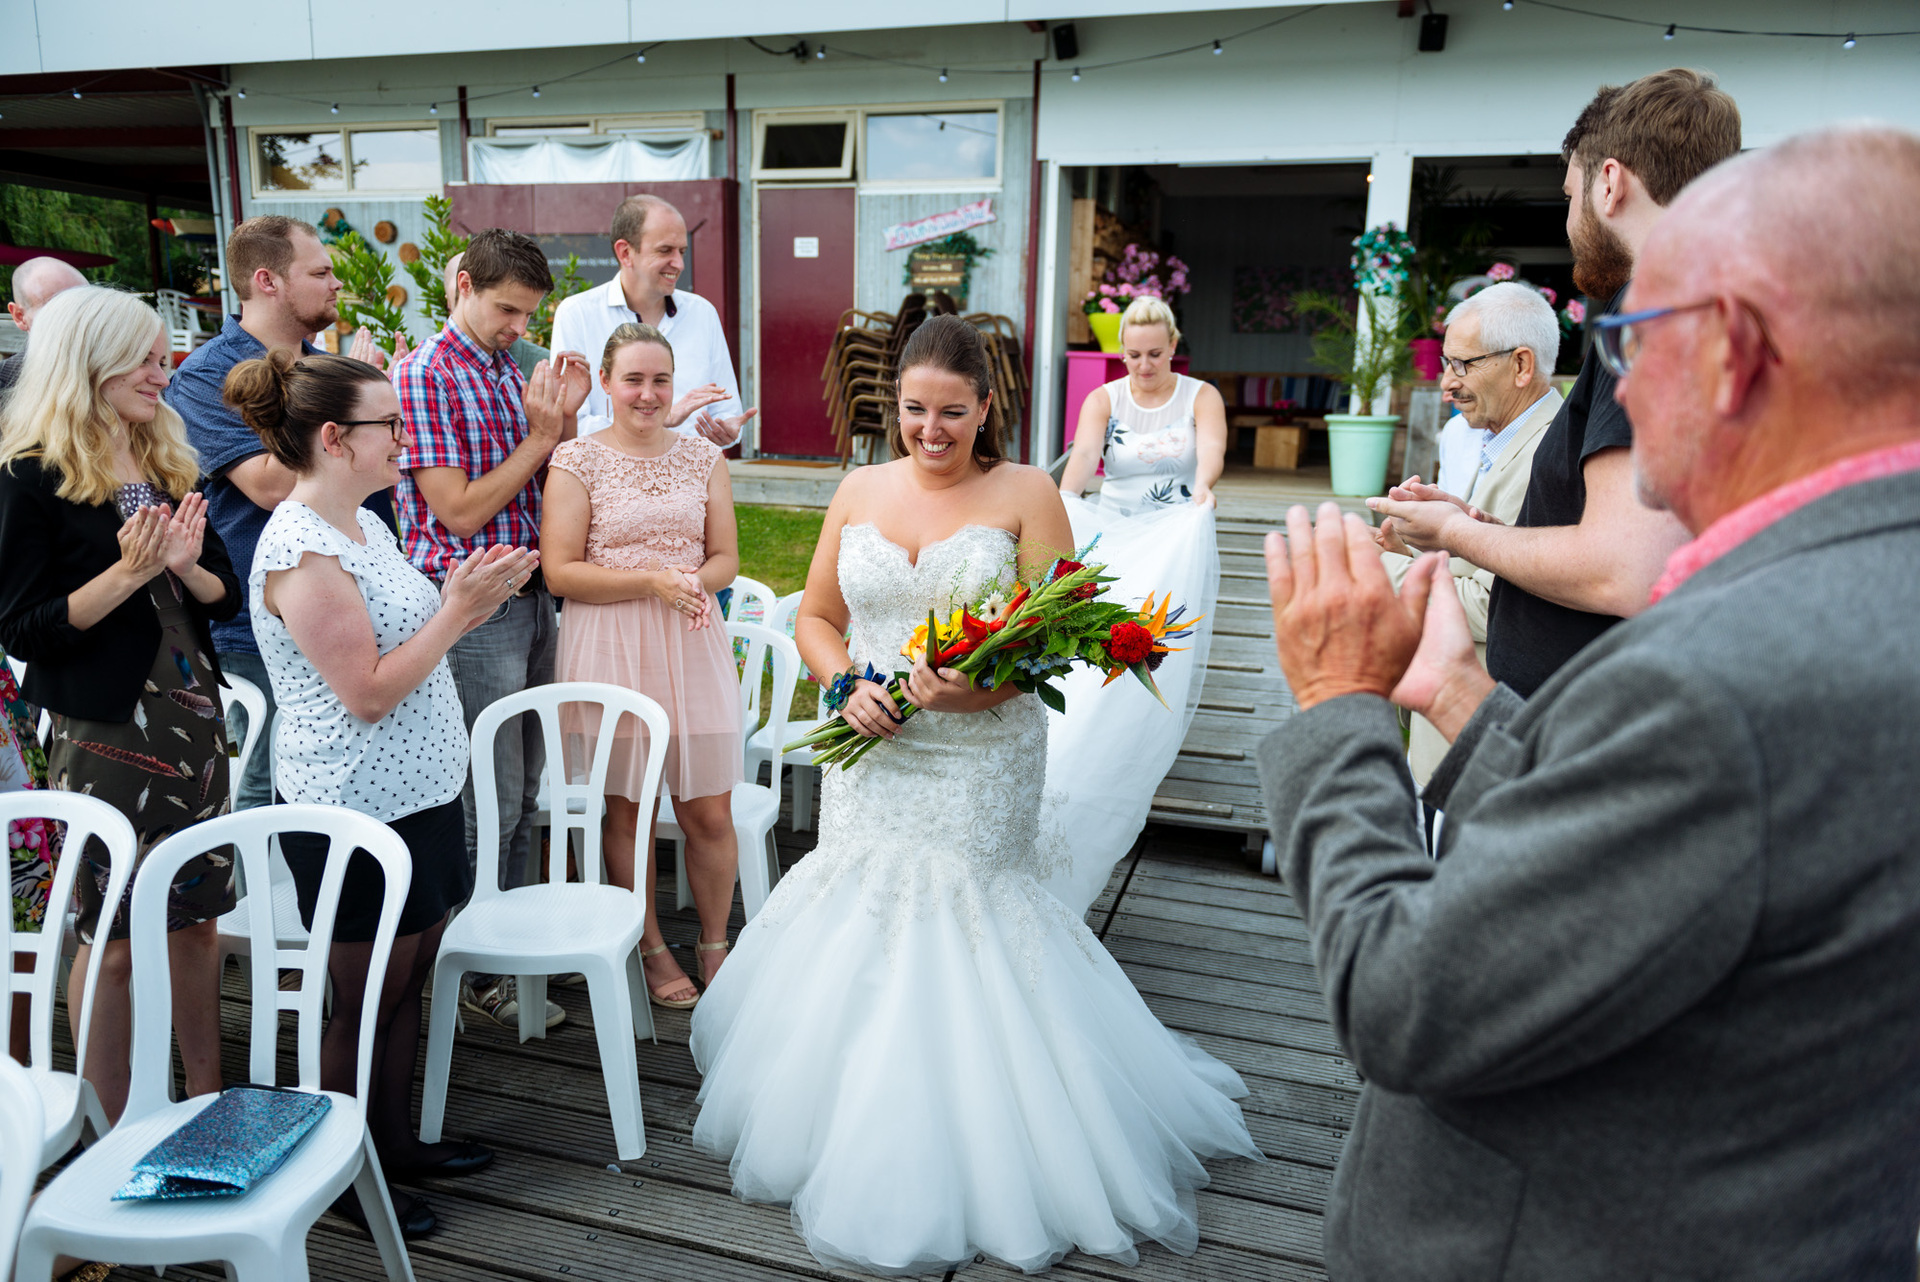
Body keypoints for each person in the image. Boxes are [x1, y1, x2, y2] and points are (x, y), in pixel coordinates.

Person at [1255, 125, 1920, 1281]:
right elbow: (1704, 864)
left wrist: (1336, 704)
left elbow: (1404, 997)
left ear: (1734, 353)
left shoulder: (1722, 670)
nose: (1604, 387)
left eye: (1624, 338)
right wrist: (1463, 696)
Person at [690, 315, 1261, 1275]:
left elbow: (1056, 633)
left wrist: (978, 686)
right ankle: (851, 1123)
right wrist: (843, 686)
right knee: (863, 913)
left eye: (952, 412)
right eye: (914, 410)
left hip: (982, 756)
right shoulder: (859, 488)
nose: (931, 430)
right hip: (872, 750)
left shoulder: (1029, 491)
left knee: (965, 917)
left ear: (986, 407)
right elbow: (823, 617)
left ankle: (990, 1136)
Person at [227, 347, 535, 1239]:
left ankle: (392, 1142)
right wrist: (458, 611)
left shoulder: (367, 524)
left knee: (411, 981)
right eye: (389, 426)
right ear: (335, 437)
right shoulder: (300, 550)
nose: (403, 438)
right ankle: (342, 1181)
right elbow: (364, 692)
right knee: (361, 999)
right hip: (354, 809)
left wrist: (458, 600)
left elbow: (402, 637)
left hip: (422, 790)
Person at [1367, 68, 1741, 697]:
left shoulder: (1656, 307)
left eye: (1569, 195)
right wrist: (1480, 525)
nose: (1569, 221)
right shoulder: (1713, 297)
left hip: (1589, 723)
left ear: (1610, 183)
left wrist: (1454, 534)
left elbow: (1625, 572)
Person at [0, 286, 241, 1122]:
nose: (161, 367)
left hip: (193, 713)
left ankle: (206, 1099)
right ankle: (106, 1131)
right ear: (88, 361)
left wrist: (179, 565)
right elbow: (24, 628)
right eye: (142, 355)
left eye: (158, 352)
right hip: (103, 728)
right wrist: (129, 573)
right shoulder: (28, 474)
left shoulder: (165, 453)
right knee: (111, 941)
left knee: (197, 920)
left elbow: (225, 595)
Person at [396, 227, 590, 1031]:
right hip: (473, 607)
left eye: (528, 313)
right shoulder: (424, 374)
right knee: (488, 792)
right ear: (462, 285)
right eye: (507, 309)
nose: (519, 327)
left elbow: (548, 482)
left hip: (534, 593)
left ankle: (511, 951)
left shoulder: (516, 368)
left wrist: (564, 432)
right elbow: (460, 507)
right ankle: (475, 967)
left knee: (528, 787)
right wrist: (543, 438)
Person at [542, 323, 741, 1009]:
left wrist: (693, 582)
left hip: (690, 638)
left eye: (660, 380)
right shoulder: (576, 460)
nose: (648, 394)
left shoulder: (701, 459)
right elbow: (561, 572)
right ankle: (651, 944)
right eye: (634, 379)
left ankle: (714, 942)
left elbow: (725, 559)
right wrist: (651, 580)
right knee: (627, 809)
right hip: (610, 644)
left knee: (710, 811)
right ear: (606, 383)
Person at [169, 215, 397, 812]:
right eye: (320, 272)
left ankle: (324, 899)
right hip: (262, 617)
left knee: (341, 774)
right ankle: (256, 907)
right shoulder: (204, 376)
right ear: (267, 281)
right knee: (267, 783)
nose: (334, 285)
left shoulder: (326, 368)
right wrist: (354, 424)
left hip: (354, 598)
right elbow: (269, 488)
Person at [1045, 294, 1226, 916]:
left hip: (1171, 534)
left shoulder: (1199, 396)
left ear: (1173, 347)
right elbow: (1083, 463)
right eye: (1132, 354)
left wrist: (1202, 492)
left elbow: (1211, 455)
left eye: (1154, 354)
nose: (1143, 365)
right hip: (1116, 531)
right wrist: (1063, 510)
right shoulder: (1105, 398)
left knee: (1152, 644)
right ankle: (1088, 743)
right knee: (1101, 641)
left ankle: (1138, 745)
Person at [1376, 282, 1562, 785]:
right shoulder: (1505, 437)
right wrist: (1418, 537)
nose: (1446, 383)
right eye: (1445, 362)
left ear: (1522, 365)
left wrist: (1387, 569)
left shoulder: (1546, 455)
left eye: (1463, 365)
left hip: (1482, 720)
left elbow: (1496, 601)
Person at [548, 194, 755, 447]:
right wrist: (661, 420)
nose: (679, 264)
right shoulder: (577, 314)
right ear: (625, 253)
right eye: (665, 250)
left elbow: (727, 411)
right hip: (610, 480)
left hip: (688, 479)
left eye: (682, 251)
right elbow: (570, 423)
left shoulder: (703, 313)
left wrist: (728, 431)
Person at [440, 251, 547, 381]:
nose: (521, 329)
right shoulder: (429, 371)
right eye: (507, 309)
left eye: (529, 314)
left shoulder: (541, 365)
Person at [1, 257, 88, 392]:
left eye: (85, 305)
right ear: (19, 316)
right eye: (56, 308)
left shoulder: (117, 375)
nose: (76, 317)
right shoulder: (4, 385)